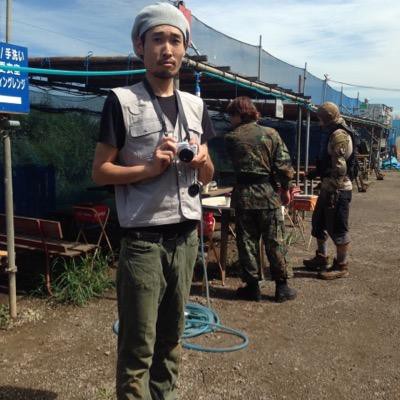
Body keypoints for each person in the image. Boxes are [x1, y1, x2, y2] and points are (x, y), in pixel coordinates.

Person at [91, 3, 215, 399]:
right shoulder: (122, 101)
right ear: (139, 46)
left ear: (184, 49)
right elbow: (100, 172)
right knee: (138, 346)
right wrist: (148, 168)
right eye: (157, 39)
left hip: (186, 240)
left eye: (176, 40)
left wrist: (202, 160)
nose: (167, 48)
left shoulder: (196, 106)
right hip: (143, 242)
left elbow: (209, 175)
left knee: (172, 340)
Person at [224, 96, 297, 302]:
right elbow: (283, 165)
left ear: (239, 115)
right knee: (275, 240)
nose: (230, 119)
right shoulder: (271, 134)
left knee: (247, 242)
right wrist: (286, 188)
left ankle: (252, 287)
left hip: (243, 196)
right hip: (268, 194)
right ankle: (282, 287)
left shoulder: (230, 138)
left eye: (231, 115)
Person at [303, 101, 355, 279]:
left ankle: (342, 265)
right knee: (319, 223)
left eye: (320, 118)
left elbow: (340, 168)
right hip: (328, 186)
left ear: (328, 118)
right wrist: (317, 173)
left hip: (338, 189)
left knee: (338, 228)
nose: (319, 122)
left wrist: (333, 190)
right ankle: (321, 257)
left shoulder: (339, 135)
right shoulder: (331, 132)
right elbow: (329, 162)